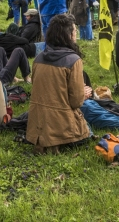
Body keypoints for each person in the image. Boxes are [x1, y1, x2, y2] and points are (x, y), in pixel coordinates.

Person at [26, 14, 92, 154]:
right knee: (90, 129)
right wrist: (83, 93)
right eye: (74, 31)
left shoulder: (38, 58)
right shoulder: (73, 60)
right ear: (68, 35)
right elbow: (76, 102)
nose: (76, 35)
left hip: (36, 126)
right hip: (61, 126)